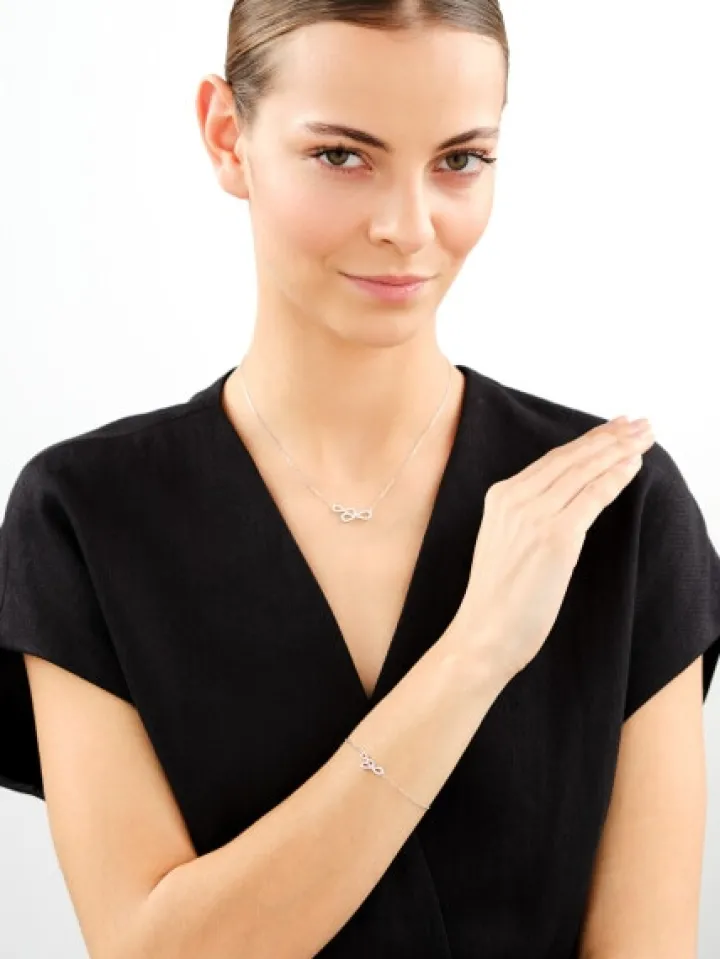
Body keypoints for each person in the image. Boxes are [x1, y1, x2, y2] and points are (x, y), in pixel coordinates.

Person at [1, 2, 719, 957]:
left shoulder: (616, 510)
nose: (407, 227)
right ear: (228, 136)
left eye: (460, 159)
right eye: (342, 155)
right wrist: (473, 656)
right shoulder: (84, 518)